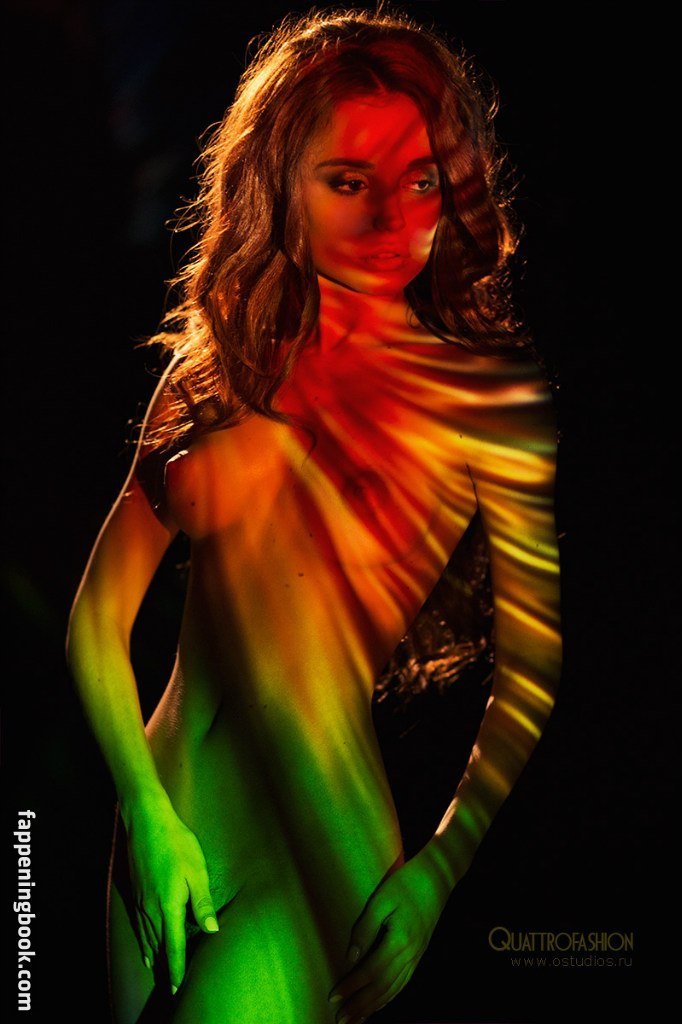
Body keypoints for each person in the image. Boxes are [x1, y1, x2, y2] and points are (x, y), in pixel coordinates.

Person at [66, 6, 562, 1023]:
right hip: (161, 811)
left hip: (313, 843)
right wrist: (147, 812)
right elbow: (95, 620)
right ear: (280, 182)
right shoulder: (211, 368)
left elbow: (531, 669)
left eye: (420, 181)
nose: (390, 222)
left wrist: (438, 873)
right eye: (349, 182)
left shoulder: (481, 400)